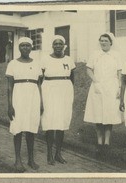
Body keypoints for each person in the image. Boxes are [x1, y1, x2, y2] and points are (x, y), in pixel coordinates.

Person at [5, 37, 43, 172]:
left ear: (31, 47)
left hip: (33, 97)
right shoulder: (13, 64)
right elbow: (9, 87)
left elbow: (39, 84)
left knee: (31, 128)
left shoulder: (37, 63)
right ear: (19, 48)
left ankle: (31, 159)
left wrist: (41, 102)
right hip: (18, 97)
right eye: (23, 46)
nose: (25, 48)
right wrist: (10, 105)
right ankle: (18, 160)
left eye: (28, 46)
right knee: (18, 128)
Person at [84, 33, 123, 156]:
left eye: (106, 41)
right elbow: (88, 69)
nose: (103, 43)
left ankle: (107, 142)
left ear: (111, 42)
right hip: (98, 86)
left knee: (109, 114)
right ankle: (99, 142)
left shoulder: (116, 55)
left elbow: (119, 72)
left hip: (112, 86)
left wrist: (120, 87)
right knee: (98, 114)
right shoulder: (95, 54)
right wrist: (95, 81)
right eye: (101, 41)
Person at [41, 35, 75, 165]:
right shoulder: (45, 59)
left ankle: (58, 154)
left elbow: (72, 78)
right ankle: (49, 154)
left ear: (64, 46)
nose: (58, 46)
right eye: (55, 44)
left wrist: (69, 92)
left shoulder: (69, 60)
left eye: (60, 44)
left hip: (65, 91)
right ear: (52, 45)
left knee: (61, 122)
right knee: (50, 122)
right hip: (49, 90)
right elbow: (40, 78)